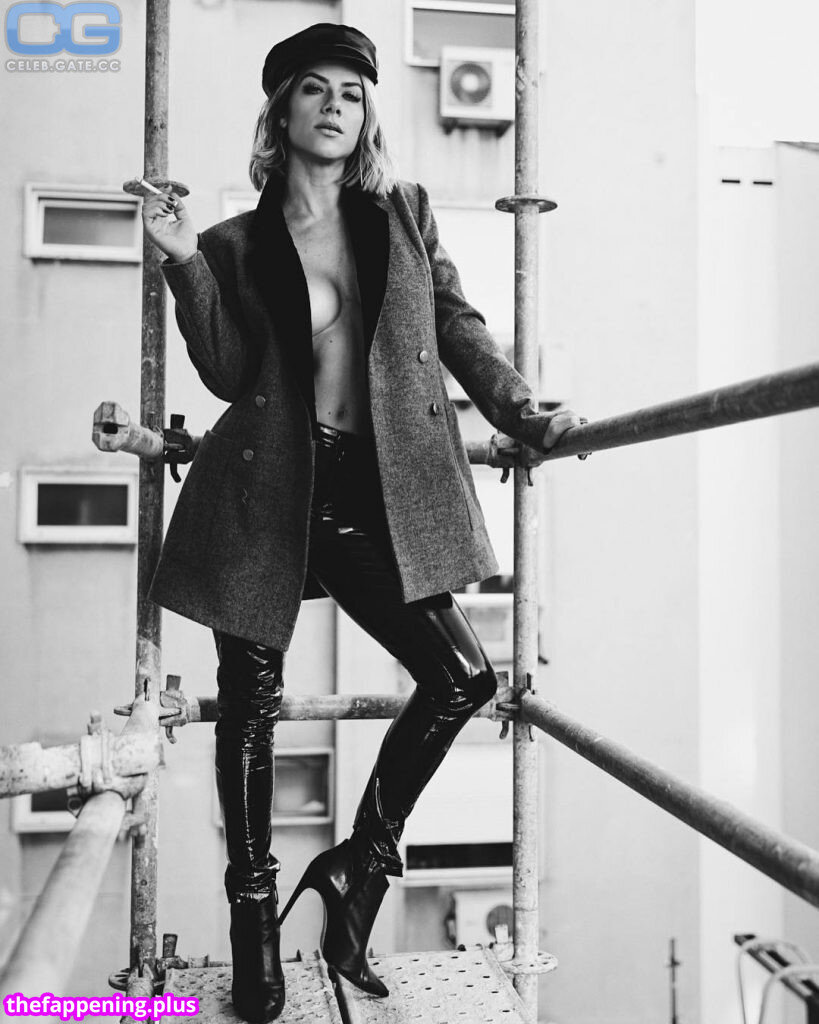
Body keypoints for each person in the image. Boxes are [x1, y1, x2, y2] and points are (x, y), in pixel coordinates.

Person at [141, 22, 582, 1024]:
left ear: (367, 112)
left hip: (372, 490)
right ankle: (254, 921)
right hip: (265, 487)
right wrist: (181, 262)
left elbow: (456, 326)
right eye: (314, 88)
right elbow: (226, 372)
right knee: (249, 701)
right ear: (282, 111)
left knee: (463, 675)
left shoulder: (403, 212)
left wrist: (521, 410)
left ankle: (358, 867)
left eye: (351, 91)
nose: (335, 104)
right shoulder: (236, 243)